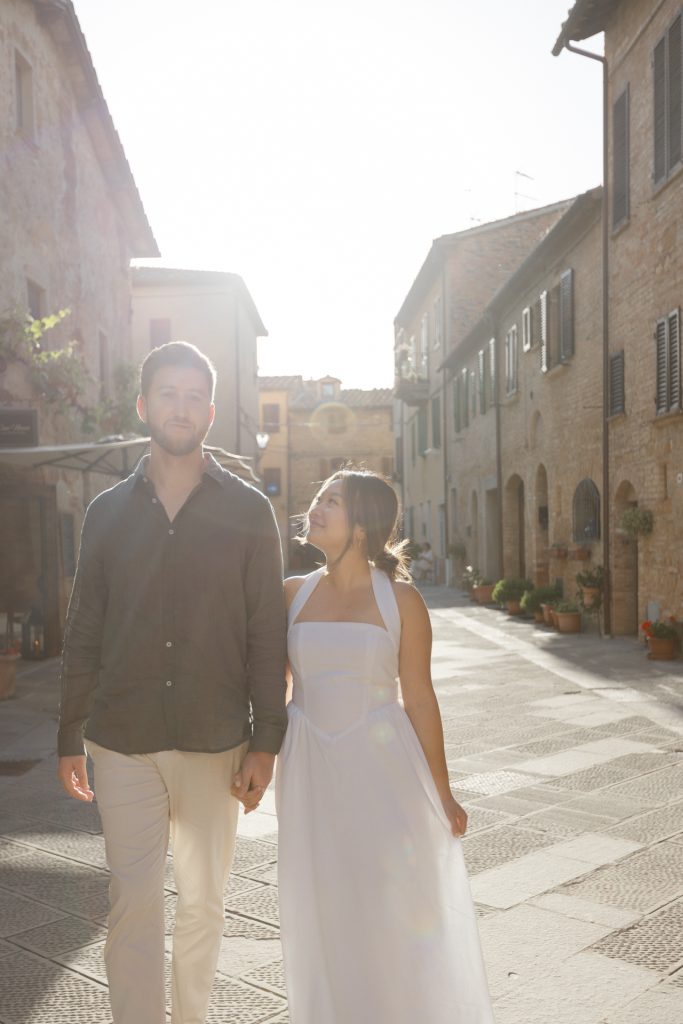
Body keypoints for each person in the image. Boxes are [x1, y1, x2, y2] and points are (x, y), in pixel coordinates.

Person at [57, 341, 287, 1024]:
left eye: (193, 397)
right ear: (143, 405)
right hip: (121, 737)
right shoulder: (105, 512)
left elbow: (266, 630)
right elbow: (84, 627)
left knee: (203, 904)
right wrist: (69, 732)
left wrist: (266, 740)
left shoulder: (249, 511)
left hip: (217, 738)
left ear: (210, 412)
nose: (180, 408)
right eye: (167, 394)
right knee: (132, 902)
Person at [276, 469, 495, 1023]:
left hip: (381, 771)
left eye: (331, 500)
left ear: (361, 526)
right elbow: (271, 685)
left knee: (383, 903)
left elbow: (419, 698)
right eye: (318, 496)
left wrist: (442, 792)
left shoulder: (403, 601)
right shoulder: (291, 594)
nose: (315, 507)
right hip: (308, 767)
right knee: (318, 901)